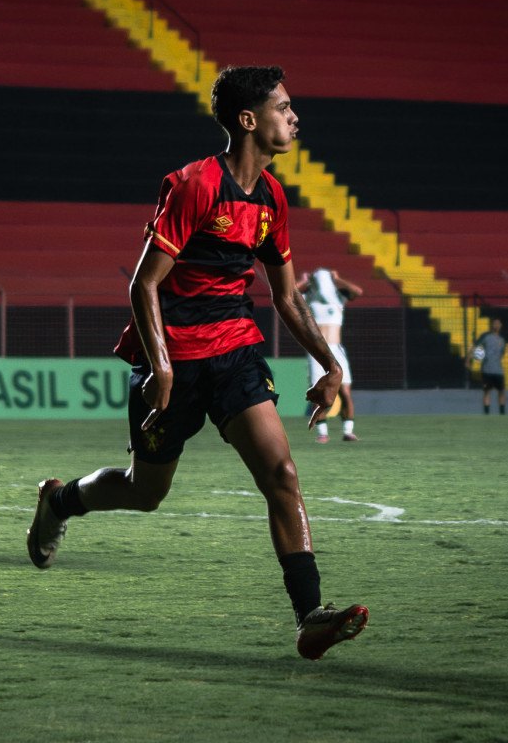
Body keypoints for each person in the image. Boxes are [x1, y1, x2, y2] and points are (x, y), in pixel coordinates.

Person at [26, 66, 368, 660]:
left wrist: (329, 363)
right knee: (144, 491)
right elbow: (143, 284)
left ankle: (311, 615)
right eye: (283, 107)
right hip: (173, 362)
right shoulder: (195, 186)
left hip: (235, 352)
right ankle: (58, 500)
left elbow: (286, 297)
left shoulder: (272, 198)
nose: (294, 117)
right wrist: (161, 367)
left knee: (282, 476)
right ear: (248, 120)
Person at [295, 268, 363, 442]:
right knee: (319, 391)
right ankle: (322, 433)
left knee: (345, 390)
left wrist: (338, 279)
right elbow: (290, 295)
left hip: (336, 349)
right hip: (316, 350)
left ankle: (348, 431)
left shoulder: (339, 297)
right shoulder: (308, 298)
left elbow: (358, 291)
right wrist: (304, 281)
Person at [467, 317, 507, 414]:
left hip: (498, 371)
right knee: (486, 392)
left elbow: (502, 353)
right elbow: (474, 346)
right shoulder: (485, 337)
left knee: (501, 392)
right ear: (491, 325)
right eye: (495, 323)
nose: (496, 325)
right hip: (487, 370)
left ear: (500, 326)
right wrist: (468, 360)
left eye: (498, 324)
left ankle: (502, 413)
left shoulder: (502, 340)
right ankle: (487, 414)